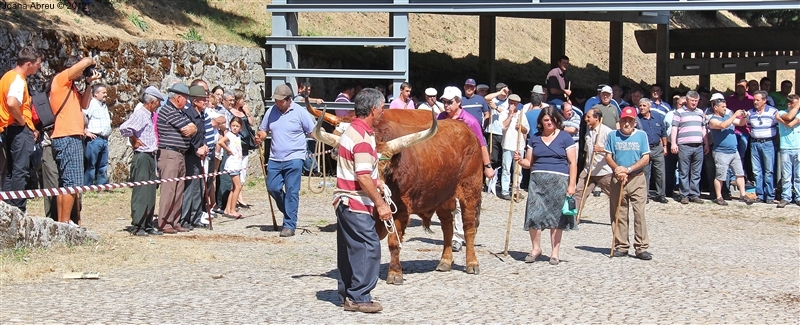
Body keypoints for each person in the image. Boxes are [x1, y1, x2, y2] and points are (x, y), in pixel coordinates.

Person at [332, 88, 390, 313]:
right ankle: (359, 297)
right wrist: (381, 204)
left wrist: (378, 182)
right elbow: (363, 175)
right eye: (382, 108)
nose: (383, 113)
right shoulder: (363, 138)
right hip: (356, 201)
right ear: (373, 109)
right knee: (369, 246)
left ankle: (347, 293)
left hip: (343, 201)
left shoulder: (350, 131)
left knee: (350, 248)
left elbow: (363, 172)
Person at [513, 106, 577, 265]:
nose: (549, 122)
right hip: (537, 182)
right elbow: (529, 163)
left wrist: (572, 185)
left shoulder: (565, 137)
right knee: (534, 215)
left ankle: (555, 252)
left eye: (552, 119)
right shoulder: (534, 138)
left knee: (556, 218)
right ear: (541, 121)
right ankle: (536, 249)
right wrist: (520, 160)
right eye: (546, 120)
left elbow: (573, 163)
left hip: (559, 181)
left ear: (557, 120)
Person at [437, 86, 494, 252]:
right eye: (444, 102)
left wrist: (487, 166)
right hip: (447, 168)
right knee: (449, 204)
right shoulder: (440, 118)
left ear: (459, 102)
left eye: (449, 102)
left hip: (466, 168)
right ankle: (454, 234)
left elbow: (482, 144)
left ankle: (459, 237)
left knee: (465, 203)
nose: (446, 105)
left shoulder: (470, 121)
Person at [255, 84, 315, 237]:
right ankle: (289, 210)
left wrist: (326, 141)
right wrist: (260, 136)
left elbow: (312, 131)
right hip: (275, 158)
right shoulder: (271, 111)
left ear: (289, 100)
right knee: (272, 187)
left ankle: (289, 225)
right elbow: (264, 129)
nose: (278, 103)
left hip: (294, 158)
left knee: (292, 191)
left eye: (281, 101)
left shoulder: (300, 113)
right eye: (276, 100)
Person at [49, 56, 102, 225]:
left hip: (70, 136)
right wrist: (91, 62)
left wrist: (88, 83)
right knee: (72, 182)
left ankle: (62, 222)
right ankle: (64, 223)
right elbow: (86, 61)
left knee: (66, 182)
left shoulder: (71, 88)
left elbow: (85, 105)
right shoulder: (61, 79)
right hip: (67, 136)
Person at [605, 107, 652, 260]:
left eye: (630, 121)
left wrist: (629, 169)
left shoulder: (641, 136)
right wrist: (618, 169)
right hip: (618, 178)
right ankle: (621, 245)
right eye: (624, 120)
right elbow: (608, 156)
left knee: (639, 213)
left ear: (634, 122)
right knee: (619, 213)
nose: (627, 123)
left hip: (636, 178)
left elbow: (645, 159)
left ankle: (641, 247)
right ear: (620, 121)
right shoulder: (613, 136)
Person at [1, 46, 42, 210]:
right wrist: (22, 121)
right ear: (28, 64)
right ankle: (18, 208)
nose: (39, 66)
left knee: (12, 169)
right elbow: (12, 102)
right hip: (19, 129)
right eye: (37, 63)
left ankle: (8, 207)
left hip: (9, 128)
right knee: (20, 169)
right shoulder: (18, 79)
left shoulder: (7, 77)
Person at [119, 87, 164, 236]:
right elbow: (125, 128)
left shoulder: (151, 115)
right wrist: (134, 140)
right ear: (151, 102)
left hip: (151, 155)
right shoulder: (140, 114)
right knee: (141, 192)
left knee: (150, 191)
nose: (158, 106)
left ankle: (148, 224)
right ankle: (138, 225)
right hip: (142, 156)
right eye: (157, 103)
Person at [157, 83, 197, 233]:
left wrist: (193, 127)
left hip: (180, 154)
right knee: (169, 190)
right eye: (185, 99)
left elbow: (193, 127)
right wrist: (192, 127)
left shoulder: (180, 112)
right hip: (170, 154)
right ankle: (164, 222)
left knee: (179, 190)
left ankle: (175, 221)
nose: (187, 102)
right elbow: (186, 129)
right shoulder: (168, 110)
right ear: (178, 97)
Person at [707, 97, 753, 206]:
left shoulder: (728, 117)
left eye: (725, 106)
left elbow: (741, 123)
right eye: (722, 107)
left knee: (740, 173)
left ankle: (743, 194)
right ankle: (719, 196)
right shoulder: (713, 120)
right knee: (720, 176)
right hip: (721, 152)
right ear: (715, 107)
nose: (725, 108)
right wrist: (734, 115)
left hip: (733, 151)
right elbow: (723, 125)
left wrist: (744, 117)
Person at [179, 85, 209, 230]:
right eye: (203, 99)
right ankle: (185, 219)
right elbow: (186, 137)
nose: (206, 101)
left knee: (199, 187)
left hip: (199, 155)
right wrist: (197, 149)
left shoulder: (201, 115)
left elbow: (201, 135)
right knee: (190, 188)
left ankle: (196, 217)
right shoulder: (188, 115)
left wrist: (205, 146)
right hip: (190, 155)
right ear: (196, 101)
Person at [574, 108, 613, 215]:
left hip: (603, 170)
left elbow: (615, 150)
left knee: (614, 195)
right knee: (579, 192)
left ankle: (619, 217)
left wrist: (602, 149)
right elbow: (587, 151)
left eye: (588, 117)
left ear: (596, 118)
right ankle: (574, 218)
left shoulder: (607, 132)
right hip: (589, 170)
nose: (585, 119)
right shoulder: (589, 132)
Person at [671, 91, 707, 204]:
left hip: (698, 145)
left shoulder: (701, 112)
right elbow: (674, 128)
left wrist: (705, 143)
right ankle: (684, 195)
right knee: (684, 171)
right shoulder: (679, 112)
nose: (694, 103)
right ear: (687, 101)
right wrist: (673, 143)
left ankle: (694, 194)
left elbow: (703, 128)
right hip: (684, 145)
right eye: (692, 101)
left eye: (696, 101)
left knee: (696, 172)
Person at [747, 90, 779, 204]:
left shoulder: (773, 112)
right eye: (754, 100)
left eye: (757, 100)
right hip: (754, 143)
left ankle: (769, 195)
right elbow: (749, 126)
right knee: (757, 171)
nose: (755, 102)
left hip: (768, 143)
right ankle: (759, 195)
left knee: (769, 170)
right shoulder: (750, 113)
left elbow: (778, 127)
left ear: (764, 100)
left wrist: (774, 141)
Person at [636, 99, 669, 203]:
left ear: (649, 107)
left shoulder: (658, 117)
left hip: (657, 148)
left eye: (644, 105)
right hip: (644, 149)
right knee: (645, 173)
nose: (641, 107)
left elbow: (663, 133)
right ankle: (645, 195)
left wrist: (665, 146)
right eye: (640, 105)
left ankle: (661, 194)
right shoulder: (637, 119)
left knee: (660, 172)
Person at [499, 94, 528, 200]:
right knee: (506, 168)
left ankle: (516, 190)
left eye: (514, 103)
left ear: (517, 104)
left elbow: (526, 130)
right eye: (510, 102)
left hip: (519, 145)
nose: (512, 105)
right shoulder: (503, 113)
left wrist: (521, 127)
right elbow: (502, 126)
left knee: (518, 170)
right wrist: (510, 115)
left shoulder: (522, 114)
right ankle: (505, 191)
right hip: (507, 144)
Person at [83, 83, 111, 186]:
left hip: (104, 139)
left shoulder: (104, 106)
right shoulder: (91, 104)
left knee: (103, 165)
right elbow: (82, 116)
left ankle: (101, 186)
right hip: (94, 139)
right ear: (96, 94)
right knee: (91, 165)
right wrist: (85, 131)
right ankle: (88, 186)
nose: (106, 95)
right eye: (103, 92)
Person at [776, 94, 800, 208]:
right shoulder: (781, 112)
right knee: (786, 175)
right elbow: (789, 117)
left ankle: (798, 196)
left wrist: (780, 120)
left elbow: (790, 124)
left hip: (798, 147)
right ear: (789, 104)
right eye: (796, 104)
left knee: (798, 175)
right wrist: (780, 118)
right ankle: (786, 196)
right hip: (785, 147)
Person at [219, 116, 245, 218]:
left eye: (237, 126)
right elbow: (220, 142)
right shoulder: (229, 135)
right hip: (232, 164)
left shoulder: (237, 136)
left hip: (237, 163)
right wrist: (228, 150)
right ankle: (232, 210)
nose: (235, 128)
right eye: (233, 125)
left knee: (234, 187)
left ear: (240, 127)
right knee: (238, 186)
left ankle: (228, 209)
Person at [484, 83, 510, 169]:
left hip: (505, 132)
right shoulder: (493, 100)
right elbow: (486, 98)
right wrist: (499, 93)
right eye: (504, 90)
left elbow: (508, 113)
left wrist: (496, 108)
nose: (506, 92)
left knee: (505, 157)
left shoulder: (509, 101)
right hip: (493, 132)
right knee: (493, 157)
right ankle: (491, 176)